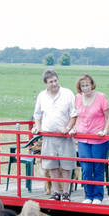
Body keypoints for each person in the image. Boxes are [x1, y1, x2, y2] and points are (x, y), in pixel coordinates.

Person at [31, 69, 78, 200]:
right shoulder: (42, 96)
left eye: (55, 80)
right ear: (45, 83)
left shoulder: (68, 93)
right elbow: (37, 114)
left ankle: (66, 193)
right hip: (49, 136)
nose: (54, 84)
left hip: (64, 136)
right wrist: (38, 127)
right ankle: (56, 192)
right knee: (52, 166)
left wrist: (68, 127)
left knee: (66, 166)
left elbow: (74, 114)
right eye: (51, 82)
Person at [67, 74, 109, 204]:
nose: (86, 88)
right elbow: (77, 116)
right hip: (83, 138)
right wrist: (74, 128)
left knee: (97, 167)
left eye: (87, 85)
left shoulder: (101, 97)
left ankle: (98, 196)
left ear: (92, 84)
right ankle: (88, 195)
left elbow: (108, 117)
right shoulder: (78, 98)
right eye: (83, 86)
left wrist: (105, 131)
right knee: (86, 168)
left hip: (99, 139)